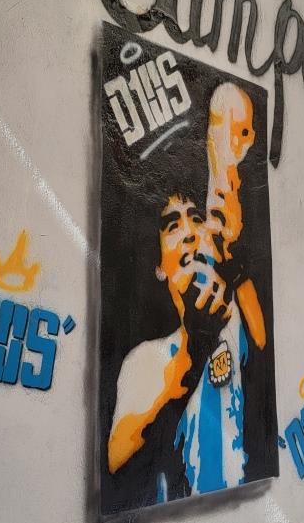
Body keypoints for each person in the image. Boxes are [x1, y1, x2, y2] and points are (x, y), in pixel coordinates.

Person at [107, 82, 271, 502]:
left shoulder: (231, 320)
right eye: (171, 226)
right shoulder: (145, 361)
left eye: (193, 218)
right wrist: (194, 353)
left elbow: (262, 344)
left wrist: (234, 267)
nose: (187, 233)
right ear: (160, 267)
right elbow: (116, 459)